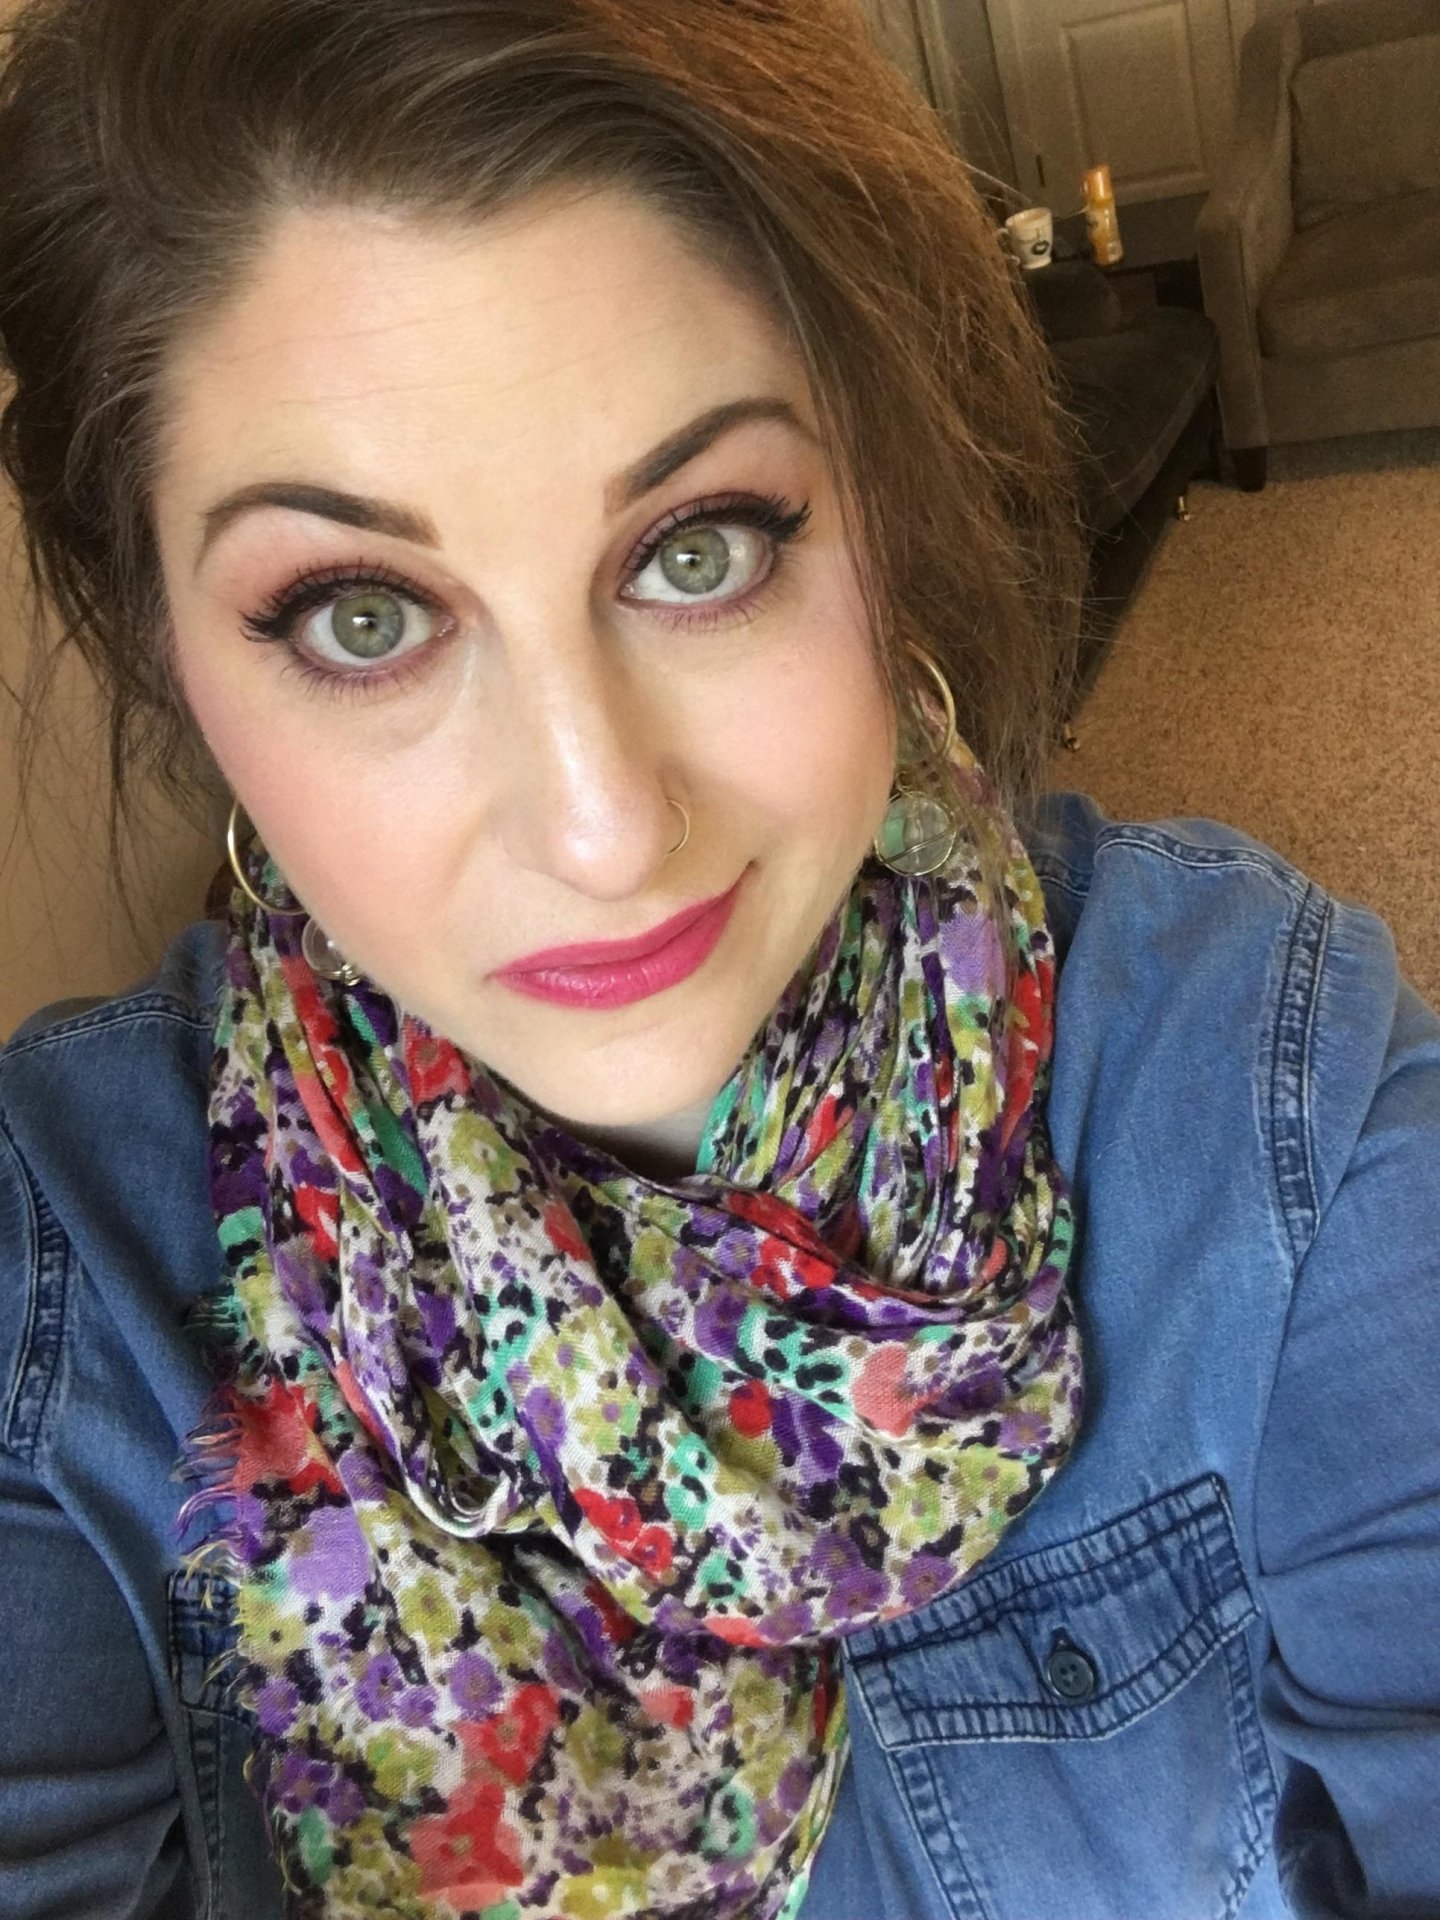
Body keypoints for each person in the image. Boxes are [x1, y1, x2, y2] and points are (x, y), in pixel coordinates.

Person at [0, 0, 1436, 1915]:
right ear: (174, 648)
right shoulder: (61, 1281)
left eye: (701, 549)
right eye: (362, 617)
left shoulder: (1268, 1090)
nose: (604, 829)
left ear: (882, 516)